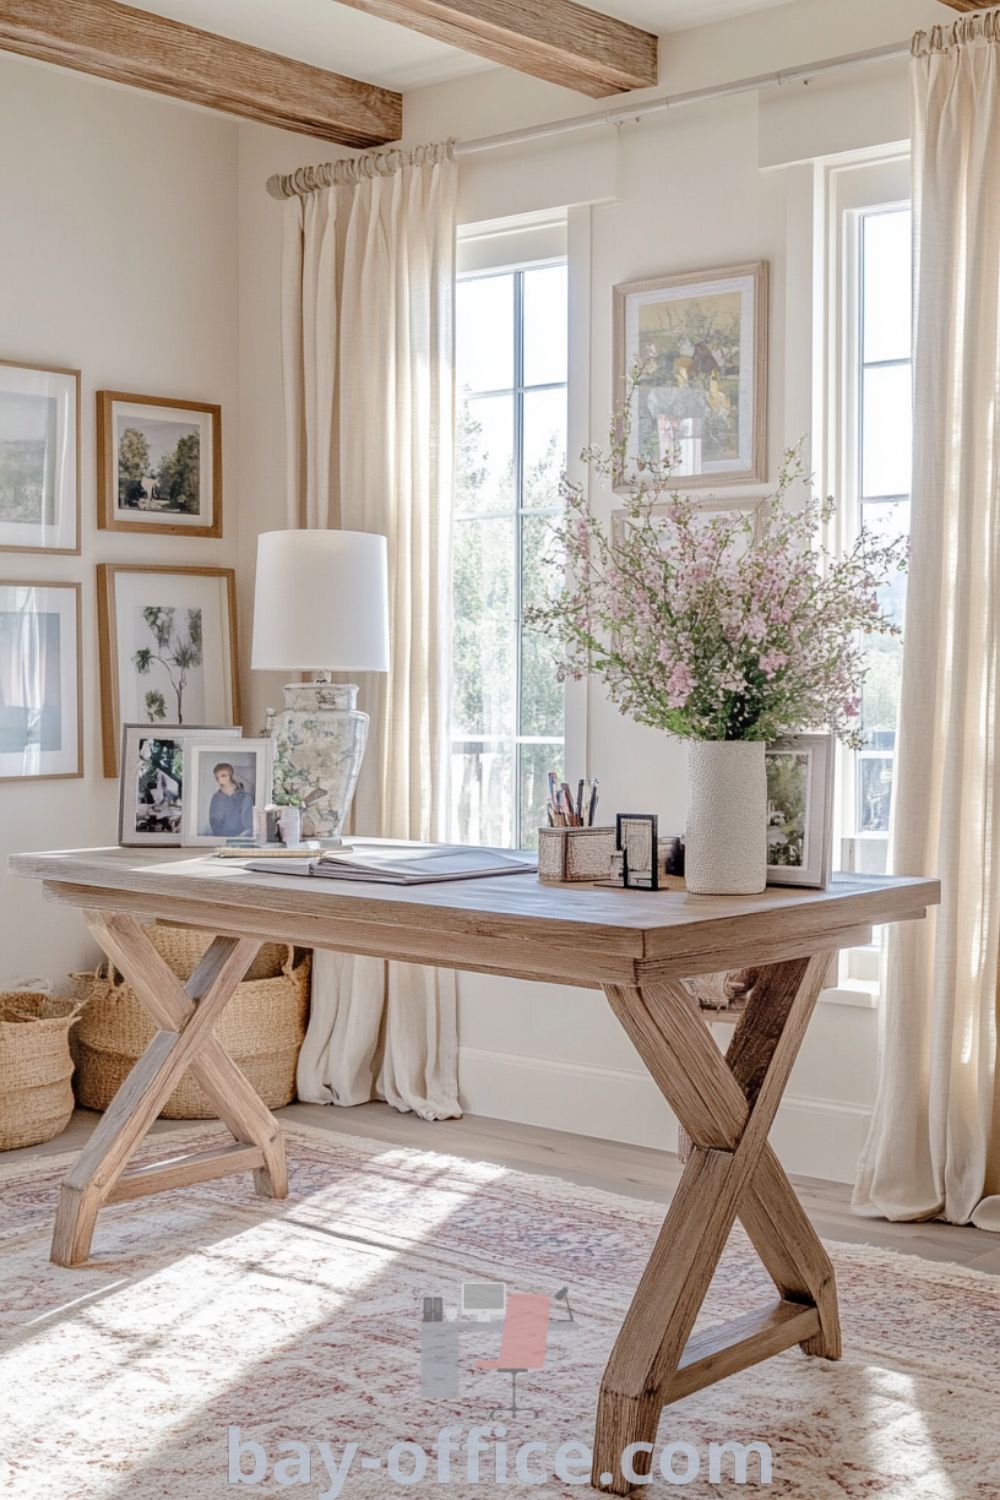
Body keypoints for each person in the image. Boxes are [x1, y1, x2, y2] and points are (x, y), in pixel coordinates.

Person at [207, 762, 254, 838]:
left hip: (242, 840)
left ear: (231, 776)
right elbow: (215, 824)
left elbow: (249, 825)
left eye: (223, 775)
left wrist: (241, 837)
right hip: (222, 839)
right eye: (217, 777)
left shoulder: (245, 798)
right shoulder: (217, 798)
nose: (220, 779)